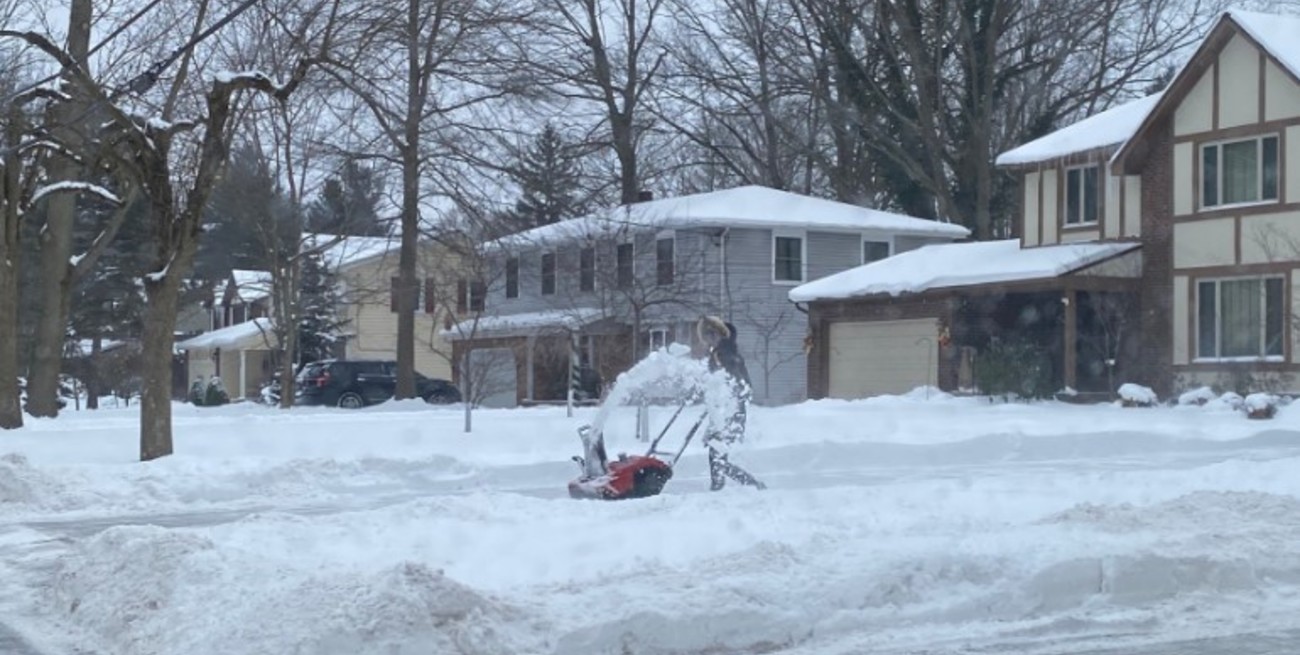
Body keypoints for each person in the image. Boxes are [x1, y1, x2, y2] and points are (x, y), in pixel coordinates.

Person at [696, 315, 766, 491]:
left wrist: (724, 397)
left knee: (717, 454)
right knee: (717, 454)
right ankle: (724, 486)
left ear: (716, 335)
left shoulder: (725, 354)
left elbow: (737, 382)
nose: (706, 341)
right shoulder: (723, 351)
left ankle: (749, 485)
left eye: (708, 336)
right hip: (725, 410)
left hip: (730, 411)